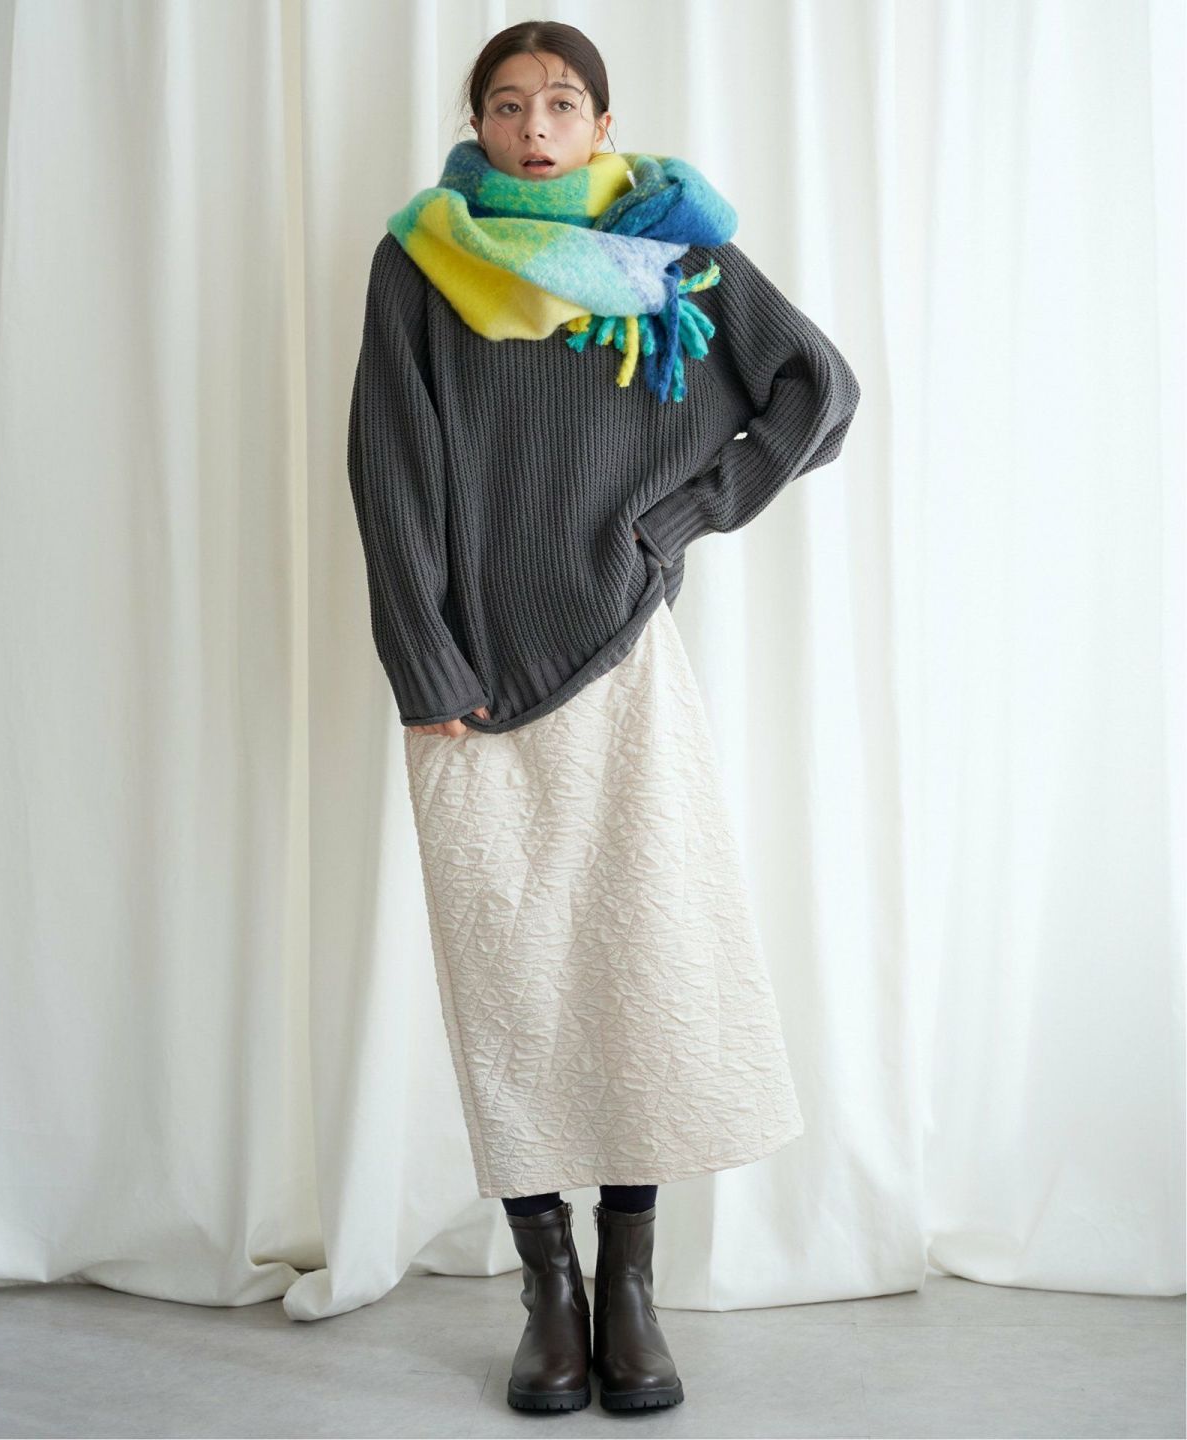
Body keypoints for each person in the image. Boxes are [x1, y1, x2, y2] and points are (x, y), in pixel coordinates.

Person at [346, 19, 861, 1414]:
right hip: (469, 683)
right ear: (477, 121)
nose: (535, 127)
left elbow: (818, 388)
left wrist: (681, 519)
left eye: (562, 103)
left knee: (641, 965)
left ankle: (629, 1283)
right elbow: (389, 464)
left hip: (624, 659)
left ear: (601, 123)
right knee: (509, 986)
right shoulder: (421, 259)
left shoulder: (672, 254)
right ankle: (549, 1290)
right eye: (509, 104)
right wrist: (424, 659)